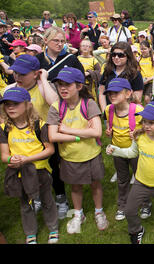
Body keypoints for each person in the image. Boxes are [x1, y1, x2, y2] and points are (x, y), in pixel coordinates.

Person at [106, 102, 154, 244]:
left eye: (151, 122)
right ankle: (136, 230)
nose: (146, 125)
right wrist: (116, 150)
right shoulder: (139, 136)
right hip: (141, 183)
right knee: (129, 211)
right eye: (144, 121)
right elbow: (132, 152)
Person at [47, 67, 108, 234]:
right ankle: (78, 214)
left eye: (68, 84)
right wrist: (80, 136)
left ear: (79, 86)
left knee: (96, 184)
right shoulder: (55, 107)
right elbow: (52, 136)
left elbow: (96, 132)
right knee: (75, 187)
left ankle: (98, 211)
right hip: (70, 157)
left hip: (91, 154)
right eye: (59, 85)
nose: (63, 89)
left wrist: (66, 130)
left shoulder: (89, 104)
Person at [0, 87, 58, 244]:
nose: (10, 107)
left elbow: (50, 150)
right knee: (25, 204)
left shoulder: (40, 125)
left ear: (27, 105)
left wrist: (27, 159)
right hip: (19, 173)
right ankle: (30, 233)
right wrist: (13, 159)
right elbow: (4, 155)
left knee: (47, 200)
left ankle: (53, 228)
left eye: (15, 104)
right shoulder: (5, 128)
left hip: (40, 171)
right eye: (7, 104)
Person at [103, 78, 146, 221]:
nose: (112, 96)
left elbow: (149, 129)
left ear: (128, 93)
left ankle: (145, 203)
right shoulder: (109, 110)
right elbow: (111, 128)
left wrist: (138, 133)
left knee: (141, 178)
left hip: (135, 152)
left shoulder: (138, 110)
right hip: (118, 151)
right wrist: (108, 133)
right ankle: (123, 205)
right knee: (122, 180)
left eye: (116, 92)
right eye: (110, 93)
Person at [98, 42, 143, 112]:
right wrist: (105, 111)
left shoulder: (135, 74)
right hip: (110, 111)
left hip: (127, 113)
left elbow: (137, 98)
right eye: (113, 54)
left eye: (120, 55)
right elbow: (101, 93)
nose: (116, 57)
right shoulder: (107, 71)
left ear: (128, 56)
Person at [139, 40, 154, 104]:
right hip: (142, 81)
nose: (143, 51)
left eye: (145, 49)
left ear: (149, 49)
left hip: (151, 81)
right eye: (141, 49)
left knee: (147, 99)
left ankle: (149, 112)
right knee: (138, 99)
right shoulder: (139, 59)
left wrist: (150, 78)